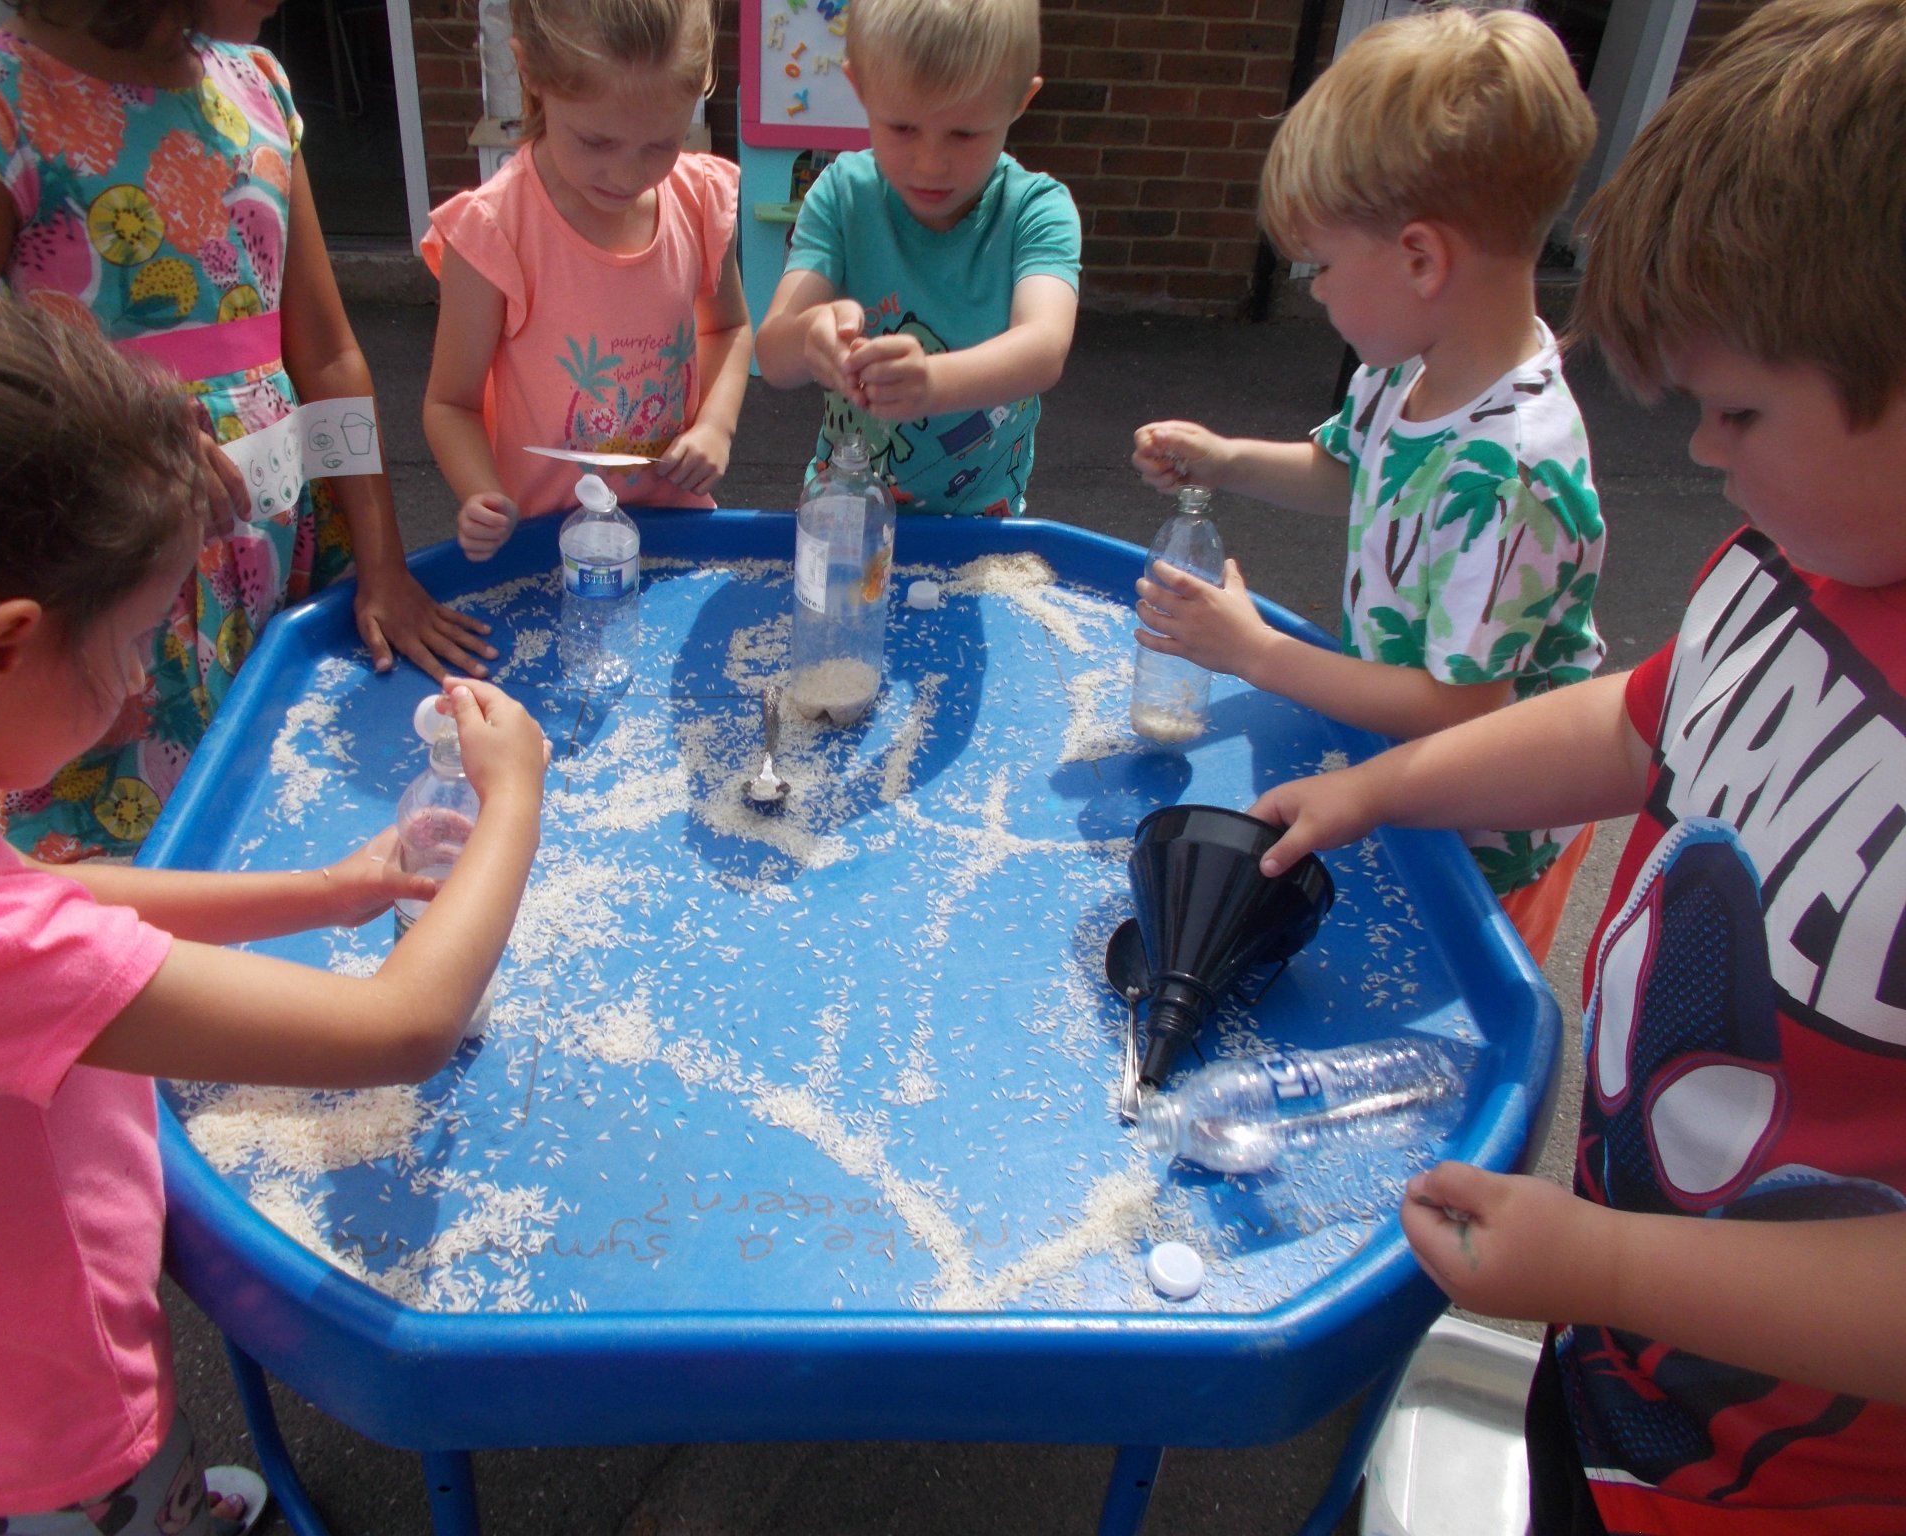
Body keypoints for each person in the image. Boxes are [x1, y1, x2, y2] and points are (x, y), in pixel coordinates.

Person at [1245, 2, 1906, 1528]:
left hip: (1787, 1478)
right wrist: (1378, 789)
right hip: (1622, 1352)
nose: (1702, 456)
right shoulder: (1782, 569)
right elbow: (1628, 725)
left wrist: (1601, 1262)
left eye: (1739, 409)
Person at [0, 281, 549, 1536]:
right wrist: (515, 801)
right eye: (130, 645)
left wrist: (325, 892)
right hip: (49, 1446)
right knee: (137, 1504)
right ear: (1, 648)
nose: (139, 691)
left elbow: (43, 888)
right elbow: (399, 1029)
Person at [0, 0, 497, 861]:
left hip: (280, 546)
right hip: (117, 579)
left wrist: (383, 566)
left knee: (274, 806)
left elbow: (326, 355)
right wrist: (111, 427)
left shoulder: (258, 88)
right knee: (151, 847)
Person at [1129, 7, 1603, 966]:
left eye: (1323, 265)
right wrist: (1227, 459)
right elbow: (1353, 476)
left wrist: (1255, 651)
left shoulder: (1510, 471)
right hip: (1399, 765)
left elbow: (1462, 711)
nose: (1313, 290)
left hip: (1486, 836)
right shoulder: (1409, 370)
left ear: (1421, 259)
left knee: (1428, 985)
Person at [420, 0, 752, 562]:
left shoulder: (697, 199)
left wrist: (715, 427)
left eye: (661, 144)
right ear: (529, 70)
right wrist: (481, 493)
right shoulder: (494, 232)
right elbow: (452, 403)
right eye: (596, 142)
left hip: (674, 533)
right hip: (548, 546)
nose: (627, 174)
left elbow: (728, 328)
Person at [752, 0, 1080, 518]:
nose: (930, 164)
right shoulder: (842, 195)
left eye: (964, 133)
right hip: (846, 508)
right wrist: (810, 333)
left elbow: (1043, 348)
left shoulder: (1035, 210)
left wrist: (934, 384)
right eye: (903, 128)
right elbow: (773, 355)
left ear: (1020, 100)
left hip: (979, 521)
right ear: (860, 88)